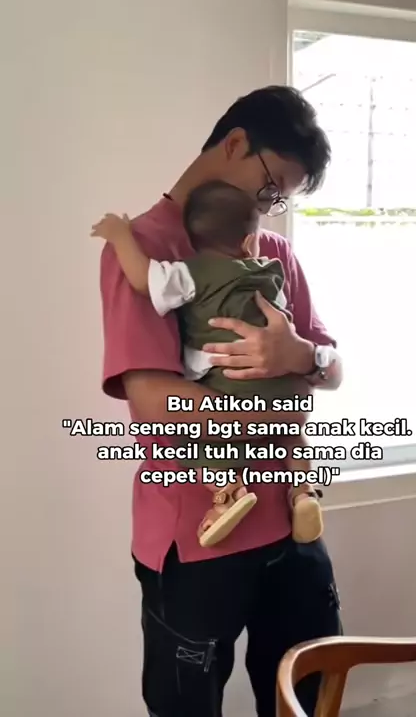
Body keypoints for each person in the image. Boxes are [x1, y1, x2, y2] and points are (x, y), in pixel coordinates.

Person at [99, 85, 343, 717]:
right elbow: (157, 404)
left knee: (311, 700)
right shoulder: (142, 251)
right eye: (272, 188)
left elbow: (333, 367)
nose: (270, 209)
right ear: (236, 144)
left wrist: (300, 357)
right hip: (198, 540)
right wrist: (281, 406)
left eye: (280, 199)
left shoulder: (274, 254)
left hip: (292, 523)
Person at [93, 179, 338, 548]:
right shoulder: (271, 272)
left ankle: (228, 492)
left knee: (190, 440)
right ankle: (303, 490)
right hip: (286, 384)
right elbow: (322, 366)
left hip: (233, 384)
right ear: (249, 242)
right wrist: (301, 365)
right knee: (290, 434)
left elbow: (144, 280)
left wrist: (120, 235)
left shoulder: (192, 273)